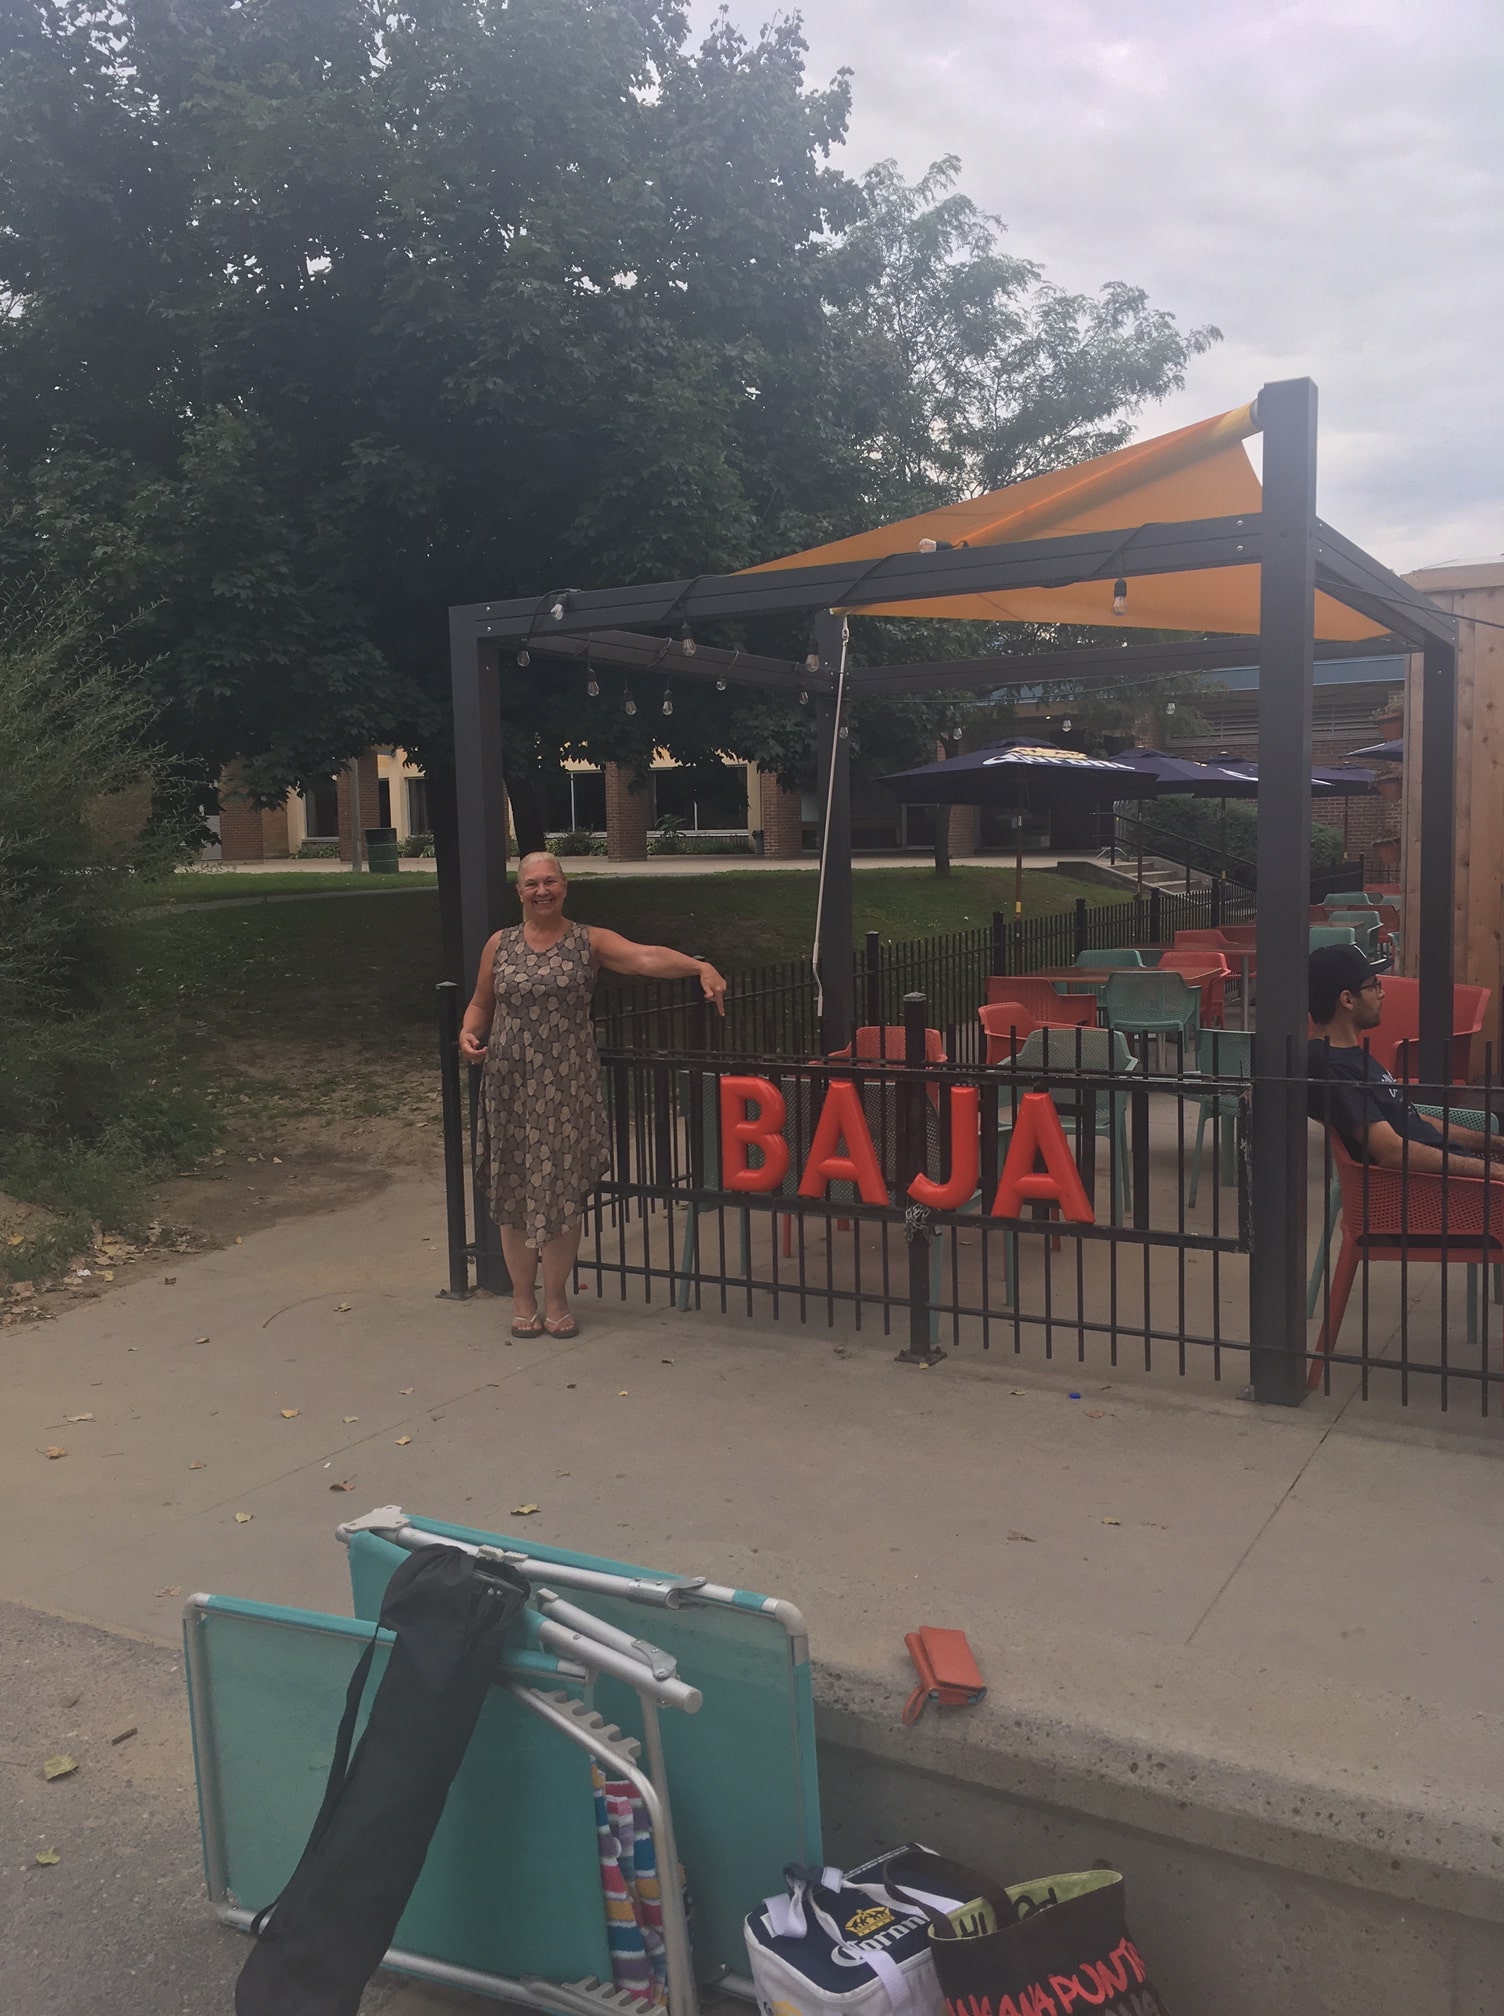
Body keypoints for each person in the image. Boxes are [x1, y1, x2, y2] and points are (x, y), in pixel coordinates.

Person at [459, 851, 728, 1338]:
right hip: (510, 1085)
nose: (542, 891)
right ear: (518, 892)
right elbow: (482, 1001)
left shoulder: (589, 941)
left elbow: (645, 957)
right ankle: (523, 1298)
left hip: (567, 1086)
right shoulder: (499, 945)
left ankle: (557, 1296)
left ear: (565, 886)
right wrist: (468, 1033)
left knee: (562, 1195)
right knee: (515, 1190)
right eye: (532, 884)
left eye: (551, 882)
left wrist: (698, 967)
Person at [1306, 944, 1500, 1173]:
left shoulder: (1351, 1055)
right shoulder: (1331, 1066)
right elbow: (1391, 1151)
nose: (1382, 993)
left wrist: (1496, 1143)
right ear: (1348, 1000)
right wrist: (1494, 1172)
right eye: (1374, 986)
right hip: (1432, 1192)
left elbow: (1409, 1118)